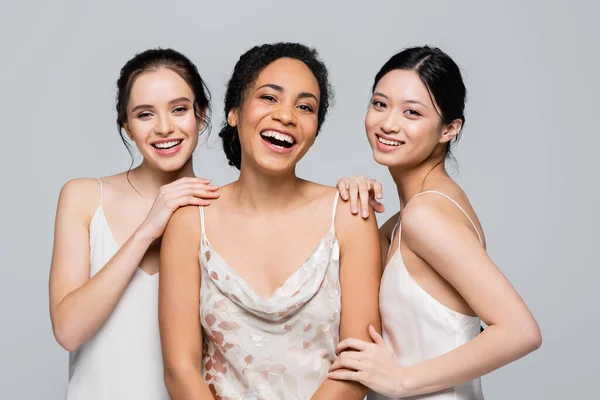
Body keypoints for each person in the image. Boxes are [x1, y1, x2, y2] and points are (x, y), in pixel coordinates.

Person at [158, 42, 382, 400]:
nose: (286, 116)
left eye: (305, 106)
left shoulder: (350, 216)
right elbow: (179, 370)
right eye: (269, 98)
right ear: (233, 111)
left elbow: (356, 366)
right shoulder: (189, 221)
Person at [329, 46, 542, 399]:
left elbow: (521, 331)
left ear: (449, 129)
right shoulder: (408, 217)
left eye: (412, 112)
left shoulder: (425, 216)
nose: (388, 123)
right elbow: (342, 264)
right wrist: (348, 198)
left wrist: (402, 381)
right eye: (380, 104)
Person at [48, 48, 219, 399]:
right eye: (145, 114)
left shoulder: (220, 210)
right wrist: (147, 229)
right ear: (126, 125)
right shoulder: (83, 198)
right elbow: (68, 330)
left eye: (179, 109)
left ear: (200, 116)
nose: (164, 128)